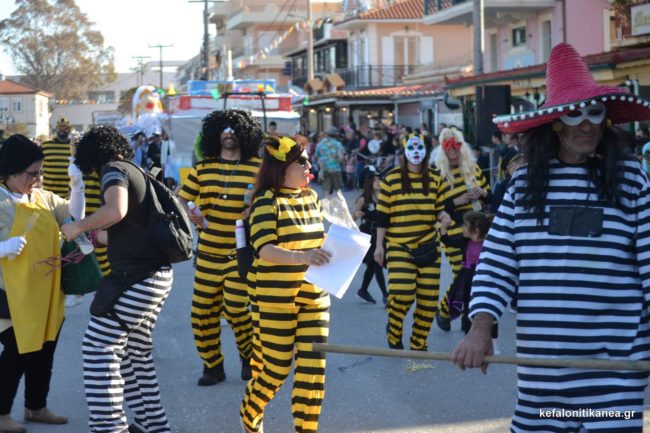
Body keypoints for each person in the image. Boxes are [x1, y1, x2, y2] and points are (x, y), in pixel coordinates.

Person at [451, 43, 650, 432]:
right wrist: (480, 327)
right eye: (576, 114)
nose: (588, 125)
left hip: (614, 374)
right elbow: (497, 263)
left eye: (595, 113)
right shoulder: (524, 185)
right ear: (555, 123)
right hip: (541, 376)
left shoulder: (631, 180)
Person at [61, 125, 174, 433]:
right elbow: (131, 231)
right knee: (135, 356)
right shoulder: (138, 173)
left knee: (98, 347)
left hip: (136, 278)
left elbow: (116, 210)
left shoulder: (113, 170)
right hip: (156, 276)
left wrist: (79, 226)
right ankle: (153, 425)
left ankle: (109, 427)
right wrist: (97, 236)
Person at [240, 134, 331, 433]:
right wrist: (302, 256)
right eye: (301, 161)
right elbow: (265, 249)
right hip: (275, 299)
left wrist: (336, 245)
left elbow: (315, 240)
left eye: (307, 160)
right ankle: (249, 418)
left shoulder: (311, 197)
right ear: (282, 168)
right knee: (276, 370)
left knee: (313, 372)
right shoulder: (266, 201)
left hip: (314, 297)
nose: (308, 166)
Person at [0, 135, 85, 433]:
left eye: (40, 172)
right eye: (32, 173)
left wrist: (78, 187)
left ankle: (36, 407)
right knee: (17, 351)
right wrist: (3, 247)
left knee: (44, 349)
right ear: (11, 172)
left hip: (46, 291)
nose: (37, 179)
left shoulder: (44, 198)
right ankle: (1, 413)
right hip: (8, 293)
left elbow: (74, 219)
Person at [177, 109, 262, 386]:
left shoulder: (258, 168)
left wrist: (255, 211)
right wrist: (190, 214)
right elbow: (181, 200)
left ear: (246, 134)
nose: (228, 133)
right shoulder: (203, 168)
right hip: (208, 254)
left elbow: (270, 202)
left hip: (241, 254)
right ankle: (212, 366)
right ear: (215, 134)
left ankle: (248, 357)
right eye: (223, 129)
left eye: (234, 129)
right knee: (202, 312)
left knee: (236, 309)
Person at [375, 133, 449, 351]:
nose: (416, 152)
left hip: (428, 246)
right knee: (402, 293)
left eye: (420, 147)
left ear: (426, 151)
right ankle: (394, 331)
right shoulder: (391, 179)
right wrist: (379, 246)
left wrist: (444, 216)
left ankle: (418, 343)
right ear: (404, 151)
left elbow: (439, 209)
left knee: (428, 299)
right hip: (399, 246)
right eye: (411, 148)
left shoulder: (435, 178)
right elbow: (382, 216)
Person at [434, 128, 490, 332]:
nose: (452, 149)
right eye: (447, 145)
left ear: (461, 146)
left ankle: (448, 312)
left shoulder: (472, 168)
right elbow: (435, 206)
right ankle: (446, 312)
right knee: (462, 274)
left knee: (473, 274)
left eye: (455, 144)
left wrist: (482, 193)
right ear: (443, 148)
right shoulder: (438, 174)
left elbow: (490, 197)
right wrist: (456, 201)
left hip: (476, 232)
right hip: (453, 231)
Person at [439, 211, 497, 347]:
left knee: (483, 308)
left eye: (465, 225)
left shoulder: (488, 243)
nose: (462, 228)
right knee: (467, 308)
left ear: (475, 230)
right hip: (466, 279)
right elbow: (448, 242)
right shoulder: (464, 240)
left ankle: (491, 341)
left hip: (482, 279)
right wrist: (443, 228)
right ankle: (467, 336)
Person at [352, 167, 388, 305]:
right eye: (375, 180)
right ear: (369, 182)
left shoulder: (385, 198)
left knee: (373, 265)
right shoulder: (363, 199)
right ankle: (386, 296)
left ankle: (363, 290)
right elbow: (351, 219)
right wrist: (356, 214)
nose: (379, 182)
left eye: (380, 180)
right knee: (377, 263)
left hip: (381, 235)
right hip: (367, 236)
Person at [40, 118, 73, 198]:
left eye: (65, 127)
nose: (62, 129)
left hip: (68, 194)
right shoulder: (45, 146)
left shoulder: (74, 147)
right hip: (48, 193)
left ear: (69, 129)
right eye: (59, 127)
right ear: (56, 129)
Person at [314, 127, 345, 196]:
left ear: (327, 135)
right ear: (336, 135)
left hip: (324, 169)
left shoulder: (320, 144)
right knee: (338, 191)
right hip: (336, 169)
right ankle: (338, 203)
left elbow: (316, 156)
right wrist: (343, 161)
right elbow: (341, 158)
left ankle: (326, 203)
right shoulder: (338, 144)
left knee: (326, 190)